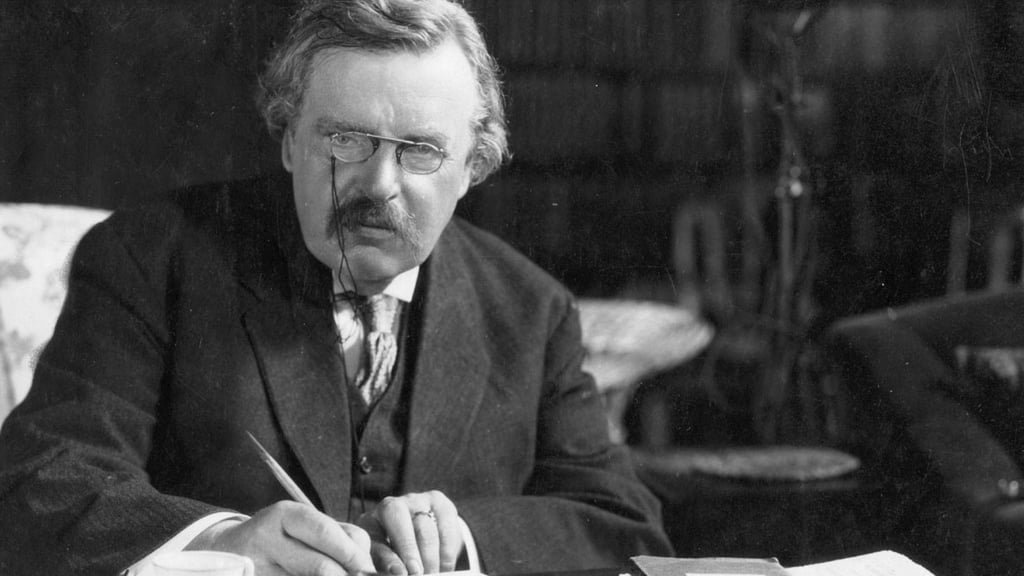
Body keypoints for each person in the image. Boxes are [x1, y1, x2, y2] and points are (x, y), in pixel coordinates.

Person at [0, 1, 672, 575]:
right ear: (290, 139)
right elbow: (42, 484)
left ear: (474, 166)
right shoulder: (152, 257)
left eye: (421, 151)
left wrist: (465, 538)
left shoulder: (531, 310)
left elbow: (623, 526)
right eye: (346, 139)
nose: (378, 185)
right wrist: (222, 544)